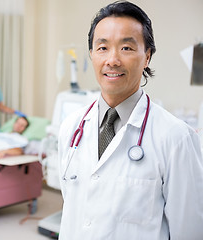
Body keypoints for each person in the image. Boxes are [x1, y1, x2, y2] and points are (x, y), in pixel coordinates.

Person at [57, 1, 203, 239]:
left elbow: (189, 231)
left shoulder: (176, 138)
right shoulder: (72, 128)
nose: (112, 60)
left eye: (126, 48)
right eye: (102, 48)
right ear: (92, 54)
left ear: (147, 57)